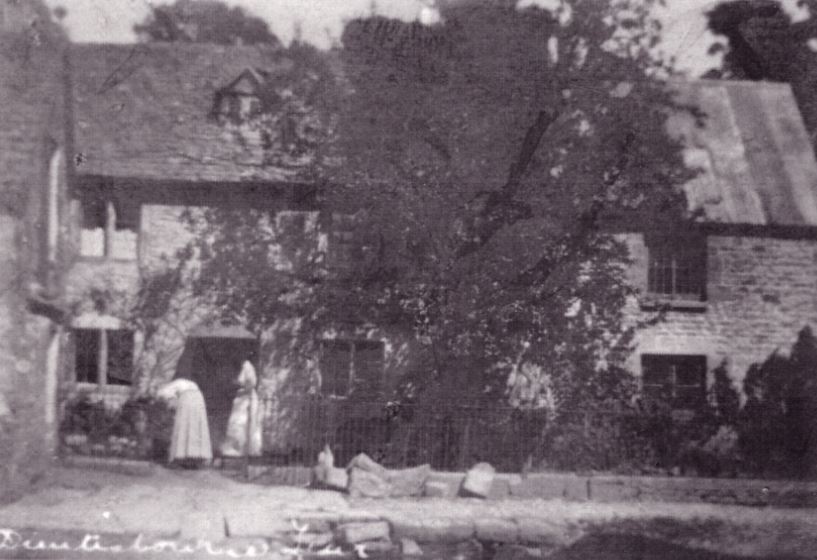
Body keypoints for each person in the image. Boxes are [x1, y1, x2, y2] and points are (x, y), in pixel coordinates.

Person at [156, 377, 213, 468]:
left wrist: (170, 407)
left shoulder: (164, 390)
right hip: (199, 397)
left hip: (187, 397)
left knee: (183, 425)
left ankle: (180, 457)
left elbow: (170, 402)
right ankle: (194, 458)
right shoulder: (179, 383)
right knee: (195, 427)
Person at [220, 358, 263, 457]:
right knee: (237, 422)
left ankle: (244, 448)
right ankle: (237, 448)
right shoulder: (241, 367)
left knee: (241, 421)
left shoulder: (247, 366)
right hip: (241, 397)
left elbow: (250, 384)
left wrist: (240, 388)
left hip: (246, 398)